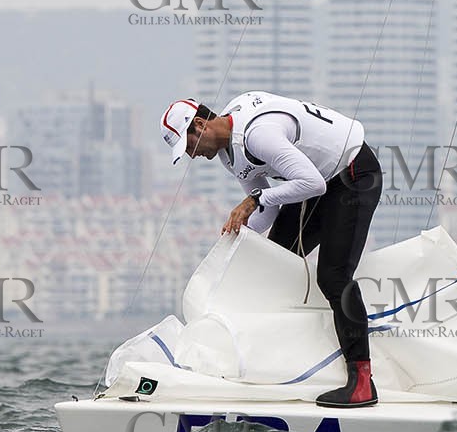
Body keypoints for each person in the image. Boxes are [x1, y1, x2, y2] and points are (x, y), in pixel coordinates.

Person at [160, 92, 382, 408]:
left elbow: (311, 185)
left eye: (189, 146)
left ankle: (361, 382)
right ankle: (280, 365)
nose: (192, 155)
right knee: (273, 264)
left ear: (200, 124)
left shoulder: (257, 135)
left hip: (353, 173)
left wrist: (253, 201)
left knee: (333, 277)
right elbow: (267, 210)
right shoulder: (229, 154)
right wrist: (237, 240)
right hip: (318, 180)